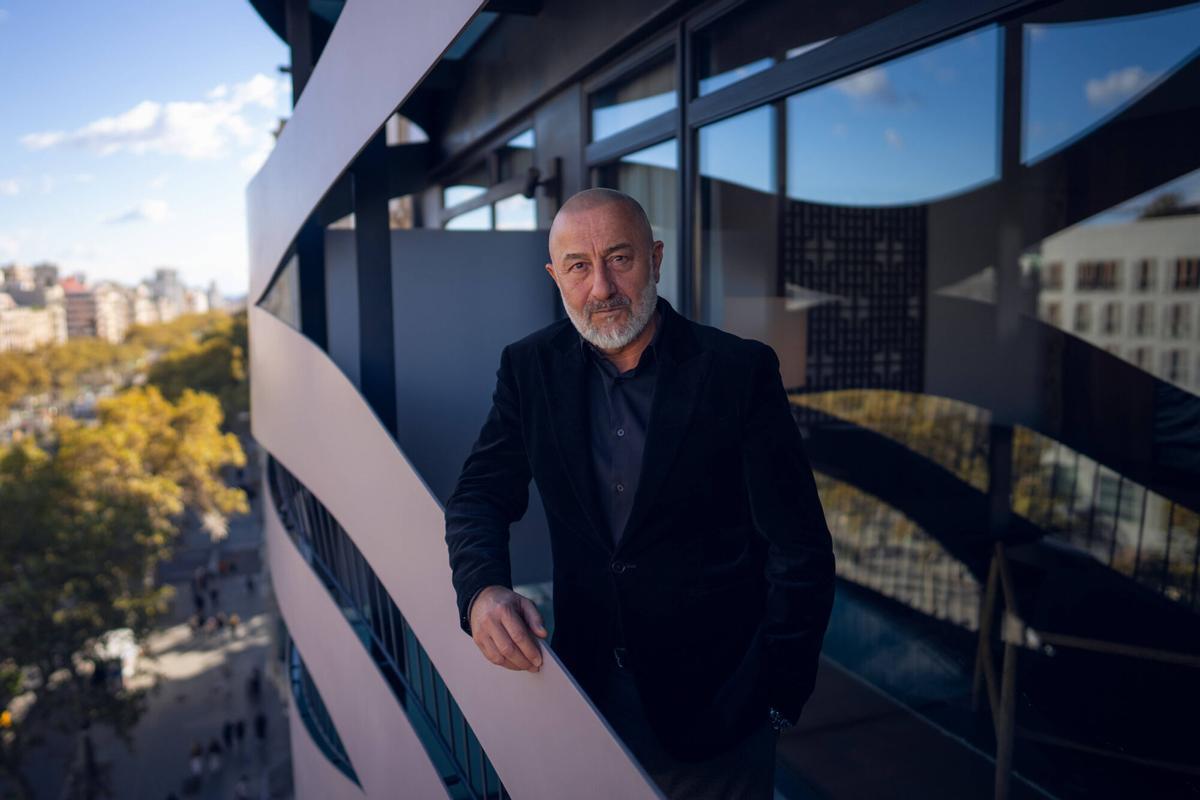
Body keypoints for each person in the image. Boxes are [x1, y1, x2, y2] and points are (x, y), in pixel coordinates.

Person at [444, 188, 835, 799]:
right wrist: (481, 589)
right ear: (556, 277)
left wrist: (778, 695)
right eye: (578, 266)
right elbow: (478, 496)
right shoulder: (529, 369)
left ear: (655, 258)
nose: (601, 287)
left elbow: (800, 546)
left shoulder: (737, 372)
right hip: (583, 696)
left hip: (721, 714)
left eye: (619, 258)